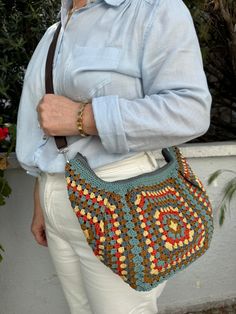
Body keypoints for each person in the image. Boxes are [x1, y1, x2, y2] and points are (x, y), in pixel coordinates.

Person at [16, 0, 212, 313]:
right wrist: (43, 197)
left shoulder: (154, 10)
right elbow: (39, 125)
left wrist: (85, 117)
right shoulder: (55, 32)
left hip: (121, 198)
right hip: (57, 197)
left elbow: (191, 111)